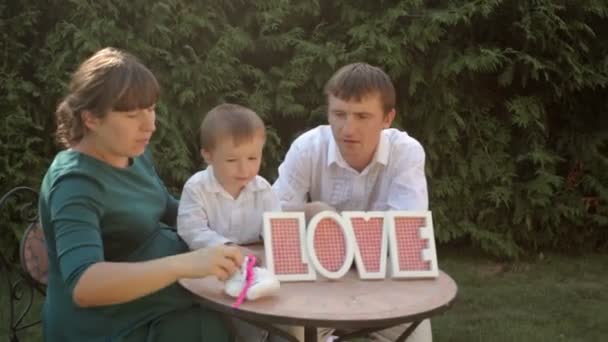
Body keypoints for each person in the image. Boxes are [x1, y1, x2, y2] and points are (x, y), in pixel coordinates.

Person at [39, 47, 243, 342]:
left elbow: (168, 208)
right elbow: (85, 286)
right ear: (91, 119)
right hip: (105, 325)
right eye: (133, 114)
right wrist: (183, 265)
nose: (150, 125)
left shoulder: (132, 153)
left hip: (157, 301)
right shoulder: (74, 183)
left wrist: (233, 228)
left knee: (235, 314)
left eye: (151, 109)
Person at [272, 62, 431, 341]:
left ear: (387, 118)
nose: (348, 128)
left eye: (362, 116)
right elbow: (271, 218)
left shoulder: (406, 152)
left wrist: (324, 225)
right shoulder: (308, 147)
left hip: (383, 280)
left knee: (416, 334)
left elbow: (406, 234)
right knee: (293, 332)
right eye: (339, 114)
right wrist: (314, 210)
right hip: (319, 281)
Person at [177, 103, 281, 248]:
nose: (244, 169)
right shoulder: (196, 188)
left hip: (255, 255)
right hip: (210, 260)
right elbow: (192, 231)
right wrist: (229, 248)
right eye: (232, 160)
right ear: (208, 156)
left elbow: (277, 230)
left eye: (252, 158)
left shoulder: (263, 189)